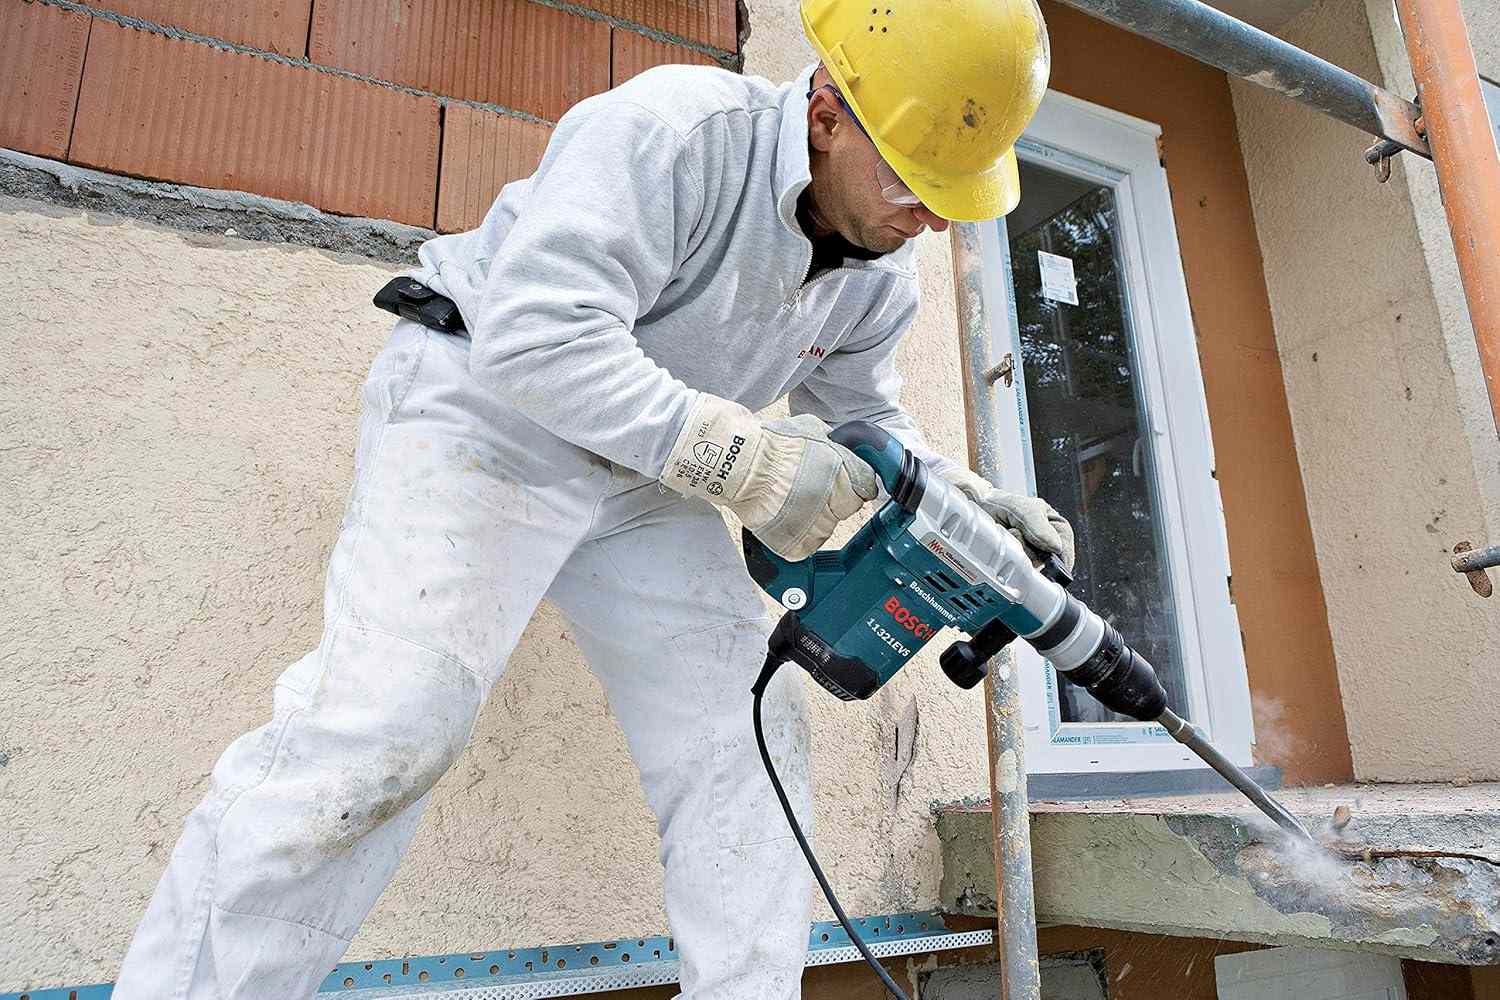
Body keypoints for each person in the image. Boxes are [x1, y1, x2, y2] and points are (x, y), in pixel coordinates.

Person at [113, 0, 1066, 996]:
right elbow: (536, 335)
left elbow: (865, 412)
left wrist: (956, 499)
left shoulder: (880, 267)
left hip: (644, 466)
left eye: (953, 193)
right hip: (489, 408)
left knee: (749, 731)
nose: (933, 217)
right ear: (827, 112)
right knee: (392, 725)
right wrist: (746, 465)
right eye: (916, 178)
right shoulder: (678, 132)